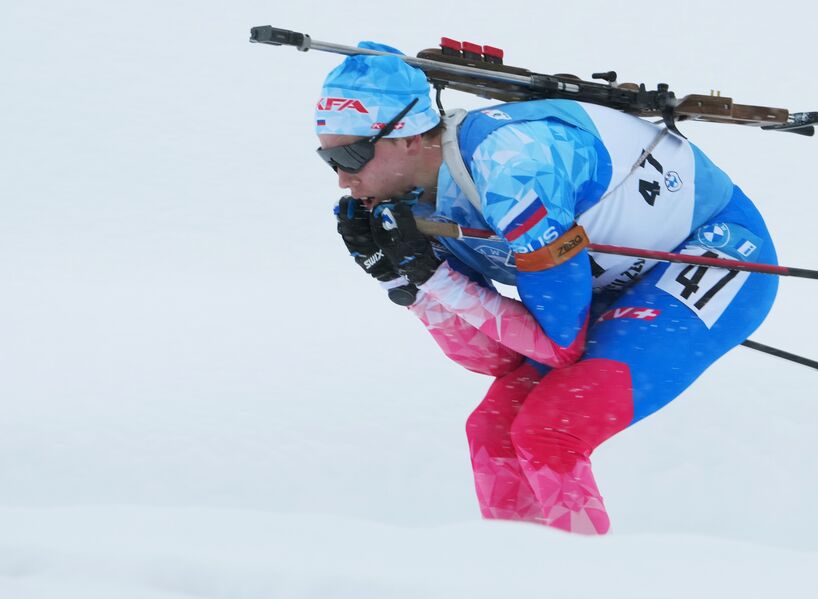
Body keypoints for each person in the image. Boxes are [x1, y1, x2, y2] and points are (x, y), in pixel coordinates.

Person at [316, 42, 778, 535]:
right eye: (329, 160)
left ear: (408, 137)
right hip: (606, 283)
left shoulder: (514, 169)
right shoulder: (410, 203)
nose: (344, 178)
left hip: (716, 250)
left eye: (353, 154)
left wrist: (436, 278)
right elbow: (493, 357)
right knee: (493, 433)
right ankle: (522, 590)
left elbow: (557, 346)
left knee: (551, 432)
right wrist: (408, 282)